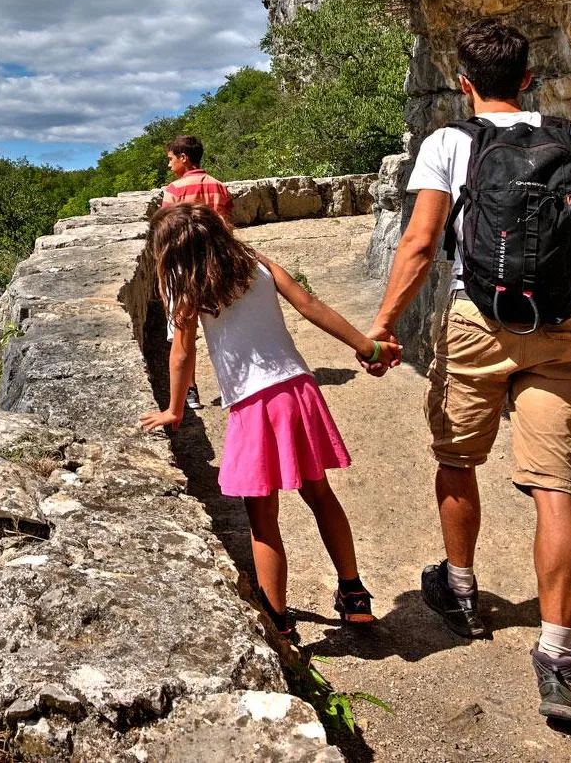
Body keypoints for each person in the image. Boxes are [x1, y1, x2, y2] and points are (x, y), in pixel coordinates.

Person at [368, 18, 571, 722]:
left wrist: (384, 324)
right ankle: (557, 656)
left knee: (457, 458)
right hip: (559, 326)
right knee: (555, 487)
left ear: (463, 84)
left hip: (478, 323)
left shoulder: (449, 143)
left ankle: (459, 589)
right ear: (527, 78)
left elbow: (423, 243)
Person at [139, 203, 400, 638]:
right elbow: (310, 305)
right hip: (299, 389)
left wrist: (175, 409)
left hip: (253, 404)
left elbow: (182, 352)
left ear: (173, 256)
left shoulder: (188, 294)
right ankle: (354, 595)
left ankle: (278, 624)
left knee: (262, 519)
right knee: (320, 494)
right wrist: (368, 348)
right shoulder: (256, 263)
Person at [160, 135, 233, 411]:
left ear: (184, 158)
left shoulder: (174, 190)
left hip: (183, 265)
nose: (169, 165)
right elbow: (227, 226)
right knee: (223, 325)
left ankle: (190, 392)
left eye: (170, 159)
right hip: (216, 262)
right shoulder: (218, 186)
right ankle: (231, 383)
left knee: (183, 332)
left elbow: (168, 231)